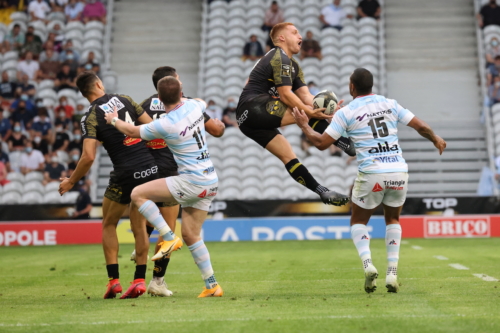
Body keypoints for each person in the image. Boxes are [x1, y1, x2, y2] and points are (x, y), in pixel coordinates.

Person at [292, 68, 447, 293]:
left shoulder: (346, 113)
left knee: (358, 221)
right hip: (398, 171)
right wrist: (436, 138)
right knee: (393, 219)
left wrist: (304, 124)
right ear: (371, 85)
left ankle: (368, 264)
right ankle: (392, 273)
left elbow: (322, 143)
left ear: (352, 87)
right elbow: (420, 126)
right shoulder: (390, 104)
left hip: (372, 173)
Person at [104, 76, 224, 298]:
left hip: (191, 180)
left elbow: (131, 132)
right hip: (210, 180)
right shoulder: (194, 106)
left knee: (138, 194)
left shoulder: (165, 124)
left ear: (159, 98)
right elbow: (201, 101)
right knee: (191, 235)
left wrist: (112, 119)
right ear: (181, 93)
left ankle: (168, 236)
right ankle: (212, 284)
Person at [59, 71, 159, 299]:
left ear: (84, 93)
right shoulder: (125, 99)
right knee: (139, 226)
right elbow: (152, 129)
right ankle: (139, 280)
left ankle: (114, 281)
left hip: (124, 174)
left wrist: (71, 181)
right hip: (149, 169)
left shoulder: (90, 117)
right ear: (98, 84)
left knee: (108, 223)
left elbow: (88, 157)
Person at [235, 22, 352, 206]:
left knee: (289, 157)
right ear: (282, 38)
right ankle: (344, 143)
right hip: (254, 106)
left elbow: (306, 96)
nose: (300, 36)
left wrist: (330, 109)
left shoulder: (292, 65)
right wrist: (311, 111)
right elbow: (286, 95)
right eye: (295, 32)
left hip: (246, 120)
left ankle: (322, 191)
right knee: (303, 112)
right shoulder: (279, 57)